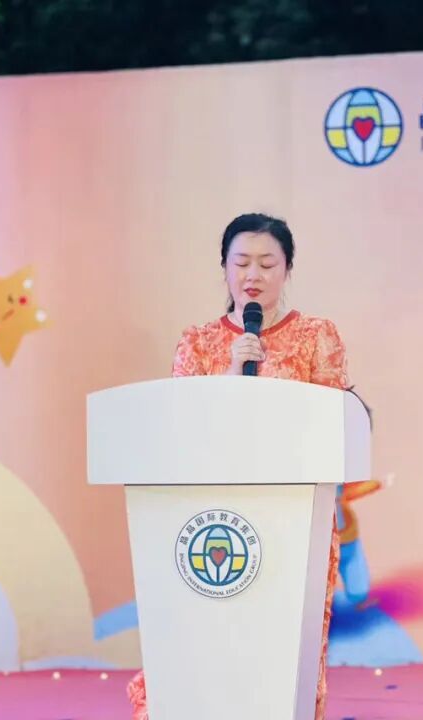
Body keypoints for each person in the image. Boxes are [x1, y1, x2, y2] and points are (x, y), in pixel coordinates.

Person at [126, 212, 353, 720]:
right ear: (224, 268)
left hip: (295, 517)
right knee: (205, 637)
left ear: (287, 269)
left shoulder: (317, 336)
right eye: (242, 262)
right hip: (210, 516)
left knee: (284, 647)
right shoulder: (199, 341)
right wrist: (231, 373)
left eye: (268, 263)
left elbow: (331, 422)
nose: (254, 275)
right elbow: (180, 431)